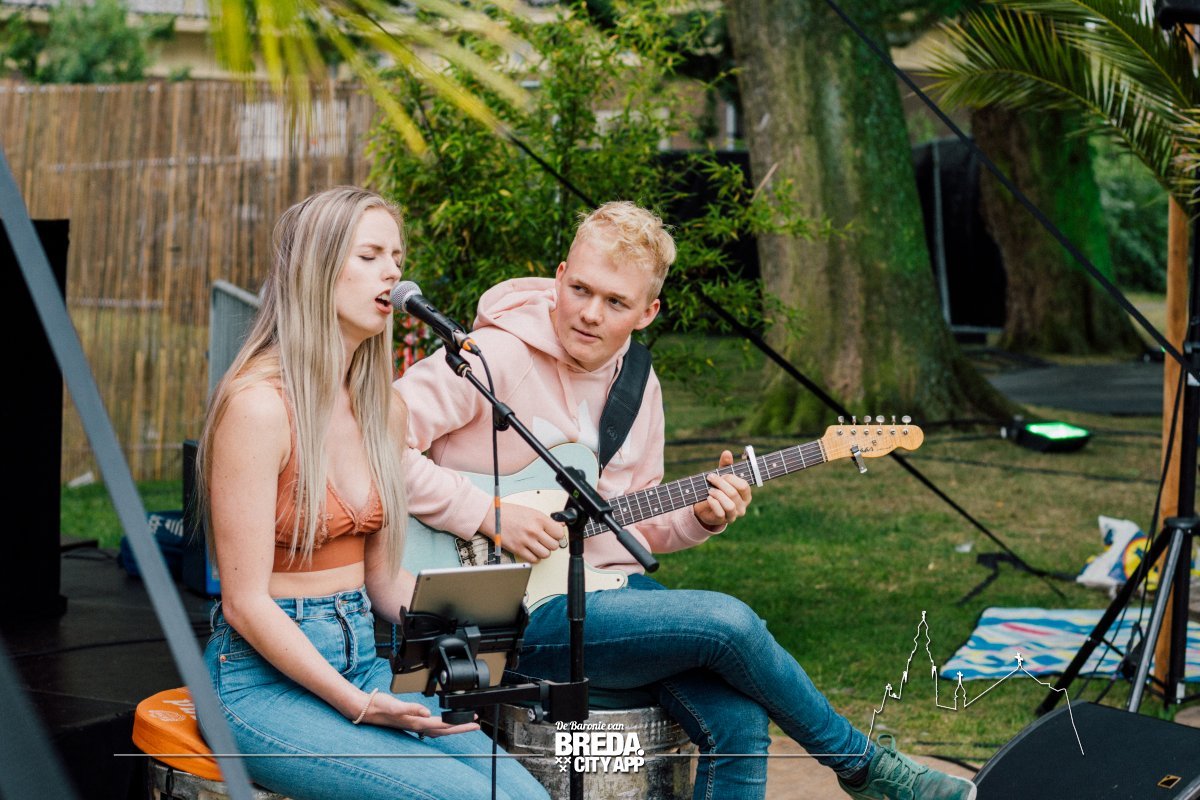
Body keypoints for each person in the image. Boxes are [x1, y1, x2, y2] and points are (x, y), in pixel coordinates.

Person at [395, 200, 978, 800]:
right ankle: (864, 766)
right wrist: (486, 514)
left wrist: (699, 516)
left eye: (616, 302)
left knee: (739, 721)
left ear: (647, 312)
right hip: (496, 614)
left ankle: (866, 770)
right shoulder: (490, 359)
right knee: (728, 622)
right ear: (560, 275)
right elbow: (370, 447)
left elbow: (631, 516)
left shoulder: (637, 383)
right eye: (581, 289)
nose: (590, 314)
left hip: (603, 592)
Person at [195, 186, 549, 800]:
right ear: (315, 270)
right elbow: (244, 604)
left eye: (397, 257)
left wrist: (497, 616)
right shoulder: (257, 407)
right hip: (257, 684)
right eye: (370, 256)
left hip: (362, 661)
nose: (393, 272)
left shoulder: (383, 410)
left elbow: (383, 585)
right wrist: (357, 704)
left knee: (526, 797)